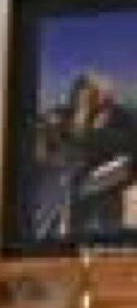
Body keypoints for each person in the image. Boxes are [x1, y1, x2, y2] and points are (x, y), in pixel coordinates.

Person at [39, 70, 137, 244]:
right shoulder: (67, 114)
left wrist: (83, 127)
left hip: (109, 180)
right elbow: (56, 138)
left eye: (90, 92)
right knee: (78, 226)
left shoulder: (121, 117)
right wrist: (77, 118)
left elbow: (119, 144)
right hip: (78, 182)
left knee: (108, 226)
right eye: (80, 91)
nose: (83, 96)